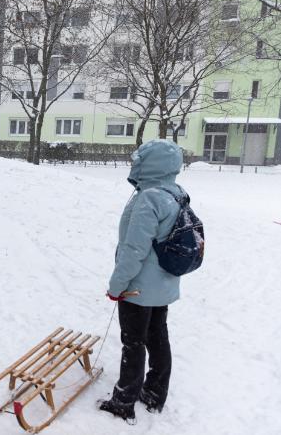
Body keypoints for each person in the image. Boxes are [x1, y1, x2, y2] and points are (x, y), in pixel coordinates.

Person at [98, 140, 187, 423]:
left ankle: (123, 402)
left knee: (133, 342)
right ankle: (154, 393)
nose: (134, 163)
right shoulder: (175, 192)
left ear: (150, 164)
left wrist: (116, 286)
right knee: (157, 337)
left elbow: (134, 250)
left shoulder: (150, 197)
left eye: (139, 159)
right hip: (163, 284)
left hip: (138, 287)